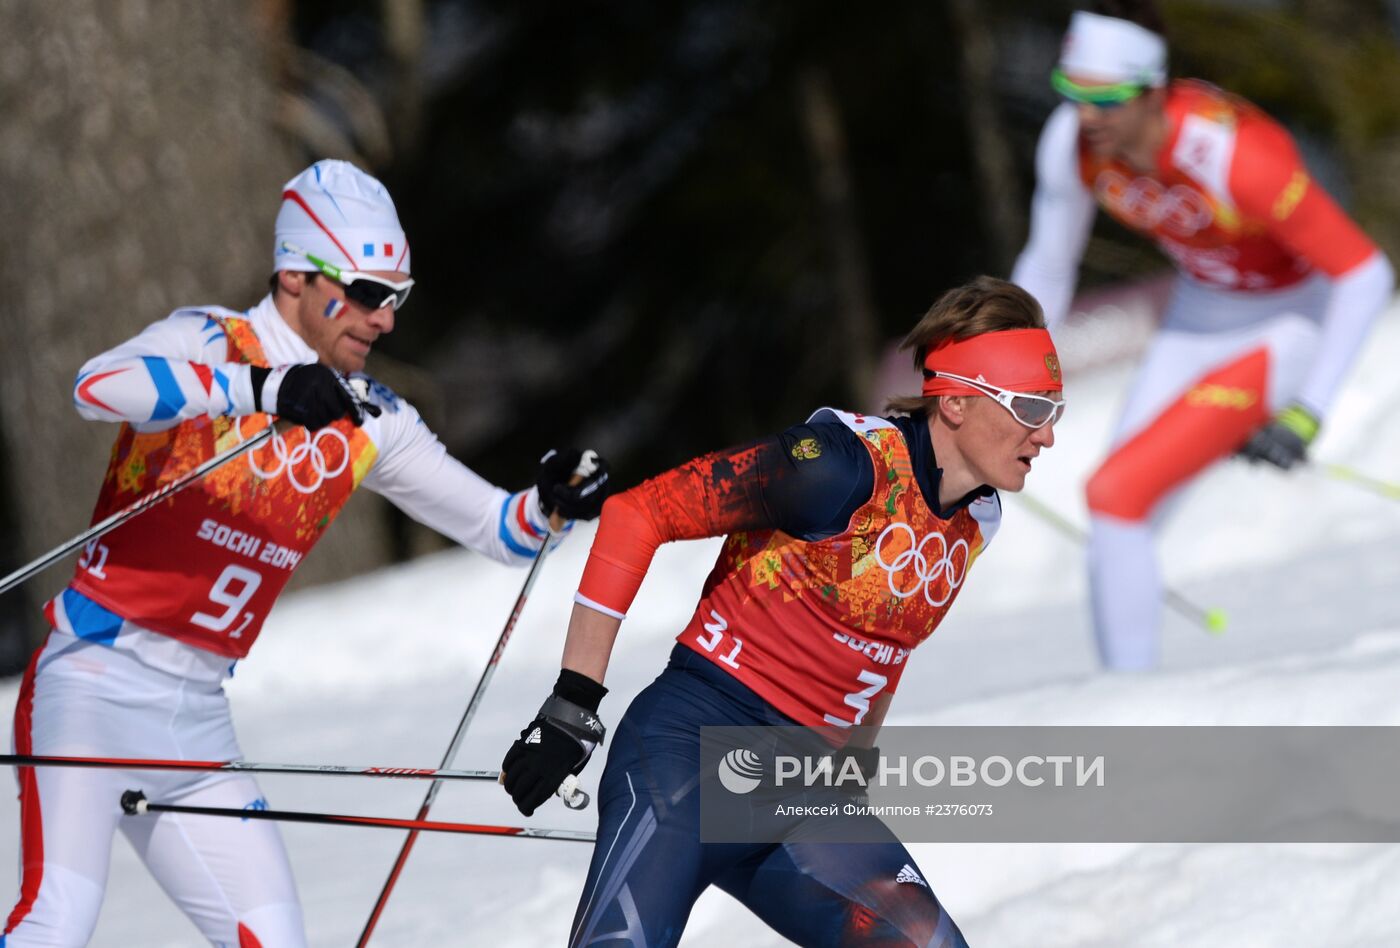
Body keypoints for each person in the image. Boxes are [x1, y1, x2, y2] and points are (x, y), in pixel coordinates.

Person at [2, 159, 610, 947]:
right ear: (296, 273)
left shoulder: (370, 417)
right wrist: (262, 389)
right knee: (57, 920)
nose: (384, 319)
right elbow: (96, 386)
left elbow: (501, 529)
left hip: (193, 721)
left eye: (396, 299)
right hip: (90, 682)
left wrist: (553, 500)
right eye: (366, 293)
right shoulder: (212, 339)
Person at [500, 277, 1062, 947]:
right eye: (1031, 407)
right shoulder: (836, 468)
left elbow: (885, 646)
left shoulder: (977, 518)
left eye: (1055, 407)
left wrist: (854, 768)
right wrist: (572, 704)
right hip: (691, 755)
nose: (1048, 435)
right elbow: (636, 513)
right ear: (959, 403)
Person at [1010, 1, 1395, 669]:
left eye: (1107, 98)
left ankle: (1135, 704)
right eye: (1074, 93)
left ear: (1153, 91)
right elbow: (1048, 265)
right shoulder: (1070, 143)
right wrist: (1001, 359)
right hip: (1198, 315)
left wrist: (1311, 412)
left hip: (1283, 324)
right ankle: (1129, 698)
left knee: (1114, 495)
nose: (1088, 114)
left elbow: (1365, 273)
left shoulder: (1234, 157)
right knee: (1114, 517)